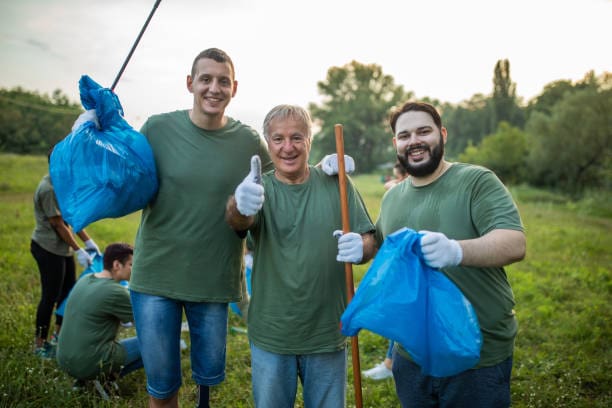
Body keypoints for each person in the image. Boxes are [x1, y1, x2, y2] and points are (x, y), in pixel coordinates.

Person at [127, 48, 273, 408]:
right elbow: (121, 175)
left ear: (234, 88)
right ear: (190, 83)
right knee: (161, 387)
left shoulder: (249, 142)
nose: (214, 88)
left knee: (207, 381)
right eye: (205, 79)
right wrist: (93, 134)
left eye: (223, 81)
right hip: (156, 278)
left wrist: (327, 175)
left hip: (213, 280)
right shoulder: (157, 129)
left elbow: (284, 186)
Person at [375, 101, 526, 407]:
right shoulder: (393, 197)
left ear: (442, 134)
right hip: (411, 351)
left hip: (476, 354)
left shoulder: (476, 181)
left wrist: (456, 250)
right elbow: (379, 242)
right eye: (404, 135)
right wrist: (360, 243)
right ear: (396, 144)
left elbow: (514, 242)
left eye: (423, 131)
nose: (414, 141)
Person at [225, 104, 376, 408]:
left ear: (310, 139)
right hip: (272, 334)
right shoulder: (259, 189)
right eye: (278, 139)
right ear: (268, 143)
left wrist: (361, 247)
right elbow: (239, 223)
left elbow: (370, 240)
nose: (288, 147)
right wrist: (240, 205)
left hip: (327, 331)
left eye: (297, 137)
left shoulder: (338, 183)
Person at [30, 146, 98, 358]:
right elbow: (58, 224)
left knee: (68, 293)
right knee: (50, 296)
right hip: (47, 248)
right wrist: (79, 250)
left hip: (63, 248)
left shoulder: (62, 184)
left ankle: (58, 338)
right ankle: (39, 344)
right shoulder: (48, 188)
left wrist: (88, 241)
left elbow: (70, 215)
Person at [56, 243, 142, 386]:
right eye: (131, 265)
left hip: (64, 359)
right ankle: (106, 379)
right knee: (161, 344)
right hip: (88, 363)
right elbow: (148, 323)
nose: (135, 270)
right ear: (116, 265)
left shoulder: (86, 279)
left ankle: (87, 381)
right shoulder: (116, 292)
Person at [363, 160, 408, 380]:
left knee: (401, 314)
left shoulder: (404, 191)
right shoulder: (398, 196)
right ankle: (391, 362)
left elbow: (391, 186)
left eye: (398, 176)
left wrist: (395, 183)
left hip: (410, 269)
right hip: (398, 265)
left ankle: (391, 364)